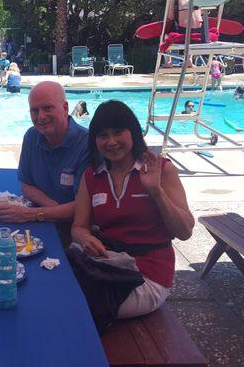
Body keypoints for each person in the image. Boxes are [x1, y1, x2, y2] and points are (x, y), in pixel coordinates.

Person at [70, 100, 194, 331]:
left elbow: (185, 231)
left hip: (148, 275)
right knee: (53, 286)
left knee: (74, 307)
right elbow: (79, 227)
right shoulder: (92, 176)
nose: (111, 142)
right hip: (107, 265)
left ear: (134, 133)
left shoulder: (161, 169)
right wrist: (86, 239)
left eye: (118, 132)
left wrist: (156, 192)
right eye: (103, 135)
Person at [0, 81, 89, 228]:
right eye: (34, 111)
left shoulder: (87, 144)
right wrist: (52, 209)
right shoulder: (32, 137)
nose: (41, 116)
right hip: (46, 220)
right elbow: (26, 185)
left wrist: (34, 214)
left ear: (65, 108)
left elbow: (85, 206)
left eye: (47, 108)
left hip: (75, 229)